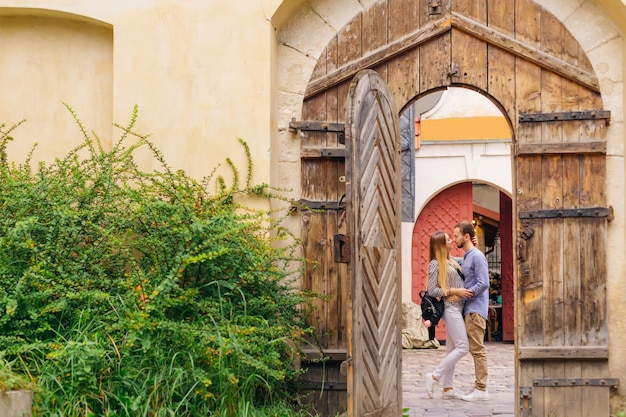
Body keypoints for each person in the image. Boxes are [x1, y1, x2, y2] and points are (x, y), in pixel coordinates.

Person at [424, 231, 473, 400]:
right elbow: (432, 290)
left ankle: (447, 388)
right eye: (447, 239)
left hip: (459, 308)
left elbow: (470, 261)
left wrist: (473, 244)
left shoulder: (453, 261)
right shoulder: (435, 264)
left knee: (452, 349)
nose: (452, 240)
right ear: (440, 245)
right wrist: (453, 291)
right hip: (450, 308)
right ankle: (434, 377)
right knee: (463, 347)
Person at [453, 221, 490, 402]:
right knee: (474, 349)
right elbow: (455, 262)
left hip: (475, 309)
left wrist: (464, 295)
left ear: (466, 236)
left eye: (456, 236)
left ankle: (481, 389)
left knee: (477, 350)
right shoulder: (468, 256)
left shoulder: (476, 256)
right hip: (470, 309)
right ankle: (479, 386)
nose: (454, 240)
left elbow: (484, 282)